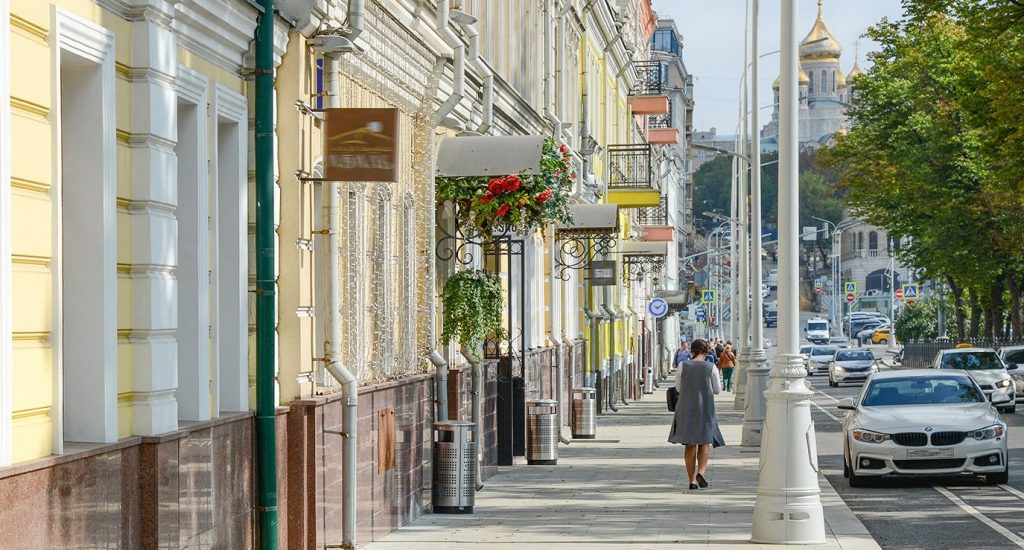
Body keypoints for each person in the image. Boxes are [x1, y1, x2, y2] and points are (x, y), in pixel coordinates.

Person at [668, 339, 726, 491]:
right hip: (705, 407)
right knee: (704, 442)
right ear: (706, 352)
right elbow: (717, 390)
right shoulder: (710, 366)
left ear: (692, 351)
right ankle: (701, 472)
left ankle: (692, 480)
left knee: (689, 444)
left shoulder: (683, 365)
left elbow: (678, 389)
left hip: (686, 407)